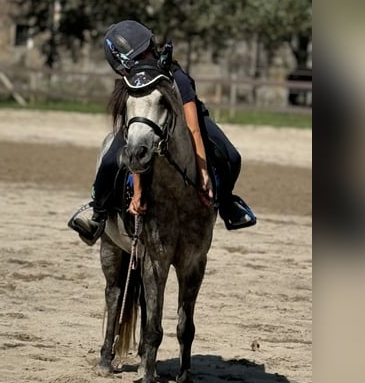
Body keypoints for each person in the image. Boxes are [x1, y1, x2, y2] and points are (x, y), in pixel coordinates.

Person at [69, 19, 256, 245]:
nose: (147, 58)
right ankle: (98, 217)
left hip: (191, 118)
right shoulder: (129, 83)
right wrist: (138, 191)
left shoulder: (177, 75)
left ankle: (227, 203)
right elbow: (133, 139)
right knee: (109, 161)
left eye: (147, 53)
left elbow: (194, 128)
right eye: (142, 55)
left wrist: (203, 169)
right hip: (143, 123)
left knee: (232, 157)